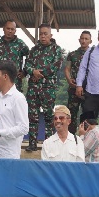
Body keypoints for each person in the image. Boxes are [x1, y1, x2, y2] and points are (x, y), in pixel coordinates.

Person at [24, 23, 65, 151]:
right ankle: (32, 143)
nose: (42, 36)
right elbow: (27, 66)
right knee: (32, 116)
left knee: (48, 117)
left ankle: (48, 145)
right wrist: (32, 72)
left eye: (45, 34)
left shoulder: (56, 50)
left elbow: (56, 65)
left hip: (48, 88)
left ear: (50, 35)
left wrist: (39, 73)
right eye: (41, 34)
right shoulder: (34, 50)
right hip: (33, 88)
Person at [63, 30, 92, 133]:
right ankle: (71, 137)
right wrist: (69, 80)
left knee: (87, 115)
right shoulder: (72, 54)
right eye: (82, 38)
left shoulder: (93, 55)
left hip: (88, 89)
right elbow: (67, 69)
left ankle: (86, 137)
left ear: (90, 41)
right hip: (74, 88)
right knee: (71, 114)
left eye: (86, 39)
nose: (84, 41)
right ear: (79, 40)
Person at [0, 19, 30, 91]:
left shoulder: (20, 44)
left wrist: (25, 72)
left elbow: (30, 56)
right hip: (1, 82)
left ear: (15, 31)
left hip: (15, 83)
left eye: (12, 29)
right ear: (3, 29)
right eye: (8, 28)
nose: (10, 31)